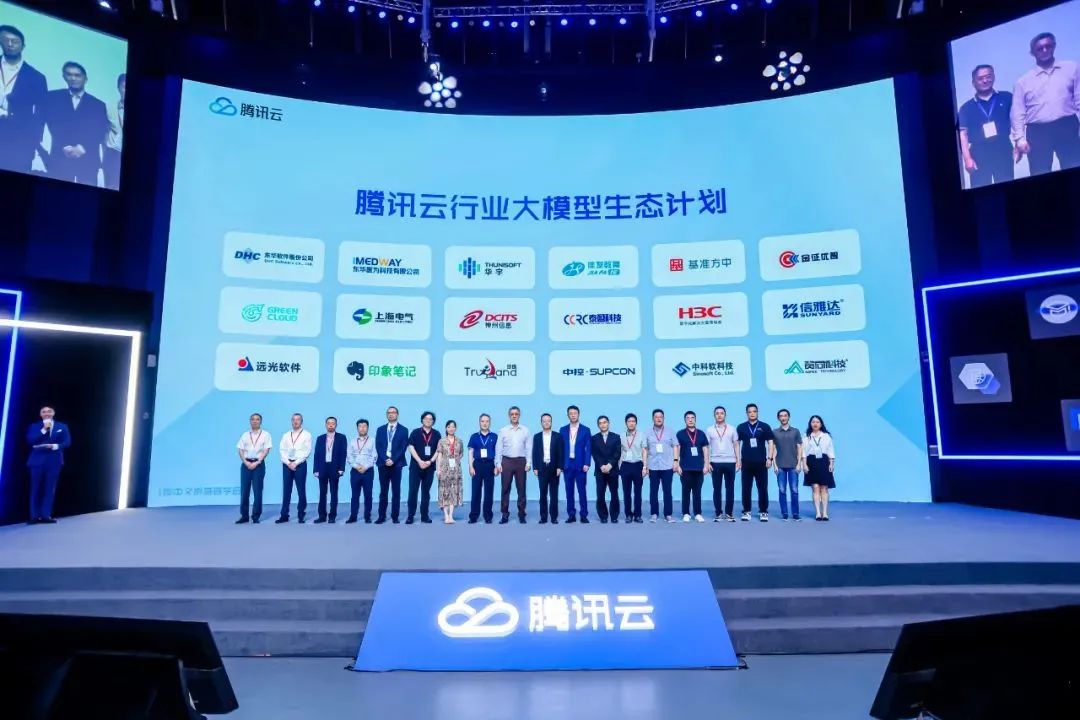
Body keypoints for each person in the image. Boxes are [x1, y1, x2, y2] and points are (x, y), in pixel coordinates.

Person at [1011, 32, 1080, 176]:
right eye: (1039, 48)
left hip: (1067, 126)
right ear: (1032, 53)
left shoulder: (1072, 68)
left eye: (1048, 46)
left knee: (1074, 167)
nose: (1044, 50)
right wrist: (1019, 139)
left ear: (1054, 46)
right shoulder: (1022, 81)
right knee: (1039, 173)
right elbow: (1017, 112)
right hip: (1038, 133)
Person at [43, 61, 108, 186]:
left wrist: (82, 148)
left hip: (88, 161)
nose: (73, 78)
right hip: (60, 158)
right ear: (64, 77)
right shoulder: (52, 97)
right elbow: (52, 124)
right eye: (69, 74)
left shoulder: (98, 105)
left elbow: (100, 131)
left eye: (77, 75)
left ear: (85, 79)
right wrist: (65, 146)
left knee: (87, 197)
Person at [957, 64, 1014, 188]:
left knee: (1008, 187)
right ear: (973, 82)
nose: (985, 80)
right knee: (981, 190)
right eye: (980, 78)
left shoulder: (1007, 97)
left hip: (1003, 148)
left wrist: (1019, 144)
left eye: (988, 76)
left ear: (994, 77)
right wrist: (967, 159)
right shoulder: (966, 108)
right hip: (979, 153)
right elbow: (963, 135)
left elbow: (1017, 121)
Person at [0, 25, 47, 174]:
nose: (10, 44)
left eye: (15, 41)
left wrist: (32, 143)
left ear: (23, 46)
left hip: (18, 142)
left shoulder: (37, 77)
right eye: (5, 40)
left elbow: (41, 114)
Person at [25, 406, 70, 524]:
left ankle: (46, 515)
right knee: (36, 489)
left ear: (53, 413)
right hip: (37, 462)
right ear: (40, 414)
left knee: (49, 489)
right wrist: (44, 429)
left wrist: (54, 446)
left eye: (49, 411)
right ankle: (34, 516)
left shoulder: (62, 426)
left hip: (54, 461)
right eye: (44, 412)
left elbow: (67, 442)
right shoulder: (34, 426)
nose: (46, 413)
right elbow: (31, 440)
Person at [736, 403, 774, 522]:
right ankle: (746, 511)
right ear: (747, 413)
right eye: (750, 412)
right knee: (746, 487)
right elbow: (737, 444)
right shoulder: (741, 427)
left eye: (754, 411)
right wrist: (738, 460)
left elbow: (771, 442)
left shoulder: (764, 426)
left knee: (762, 487)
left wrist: (770, 458)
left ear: (757, 412)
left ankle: (763, 511)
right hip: (746, 462)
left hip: (761, 462)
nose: (752, 413)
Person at [495, 406, 531, 524]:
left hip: (521, 461)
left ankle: (522, 514)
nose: (514, 416)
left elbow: (528, 448)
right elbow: (499, 448)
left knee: (521, 489)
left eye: (516, 414)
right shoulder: (503, 430)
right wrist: (498, 463)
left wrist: (528, 462)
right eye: (512, 414)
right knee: (505, 488)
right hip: (507, 461)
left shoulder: (525, 430)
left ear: (519, 415)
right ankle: (505, 514)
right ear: (509, 416)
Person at [235, 412, 272, 524]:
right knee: (244, 491)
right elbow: (240, 450)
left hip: (258, 464)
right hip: (246, 464)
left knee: (257, 491)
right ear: (250, 421)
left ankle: (256, 516)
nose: (255, 421)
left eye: (257, 419)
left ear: (260, 421)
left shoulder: (266, 435)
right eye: (252, 419)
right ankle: (244, 516)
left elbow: (266, 450)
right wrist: (245, 462)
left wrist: (257, 462)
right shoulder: (245, 435)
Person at [375, 406, 408, 524]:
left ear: (397, 415)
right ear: (386, 415)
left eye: (393, 412)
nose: (391, 414)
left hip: (397, 464)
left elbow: (403, 447)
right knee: (383, 491)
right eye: (389, 412)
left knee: (396, 491)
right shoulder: (380, 429)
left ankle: (395, 516)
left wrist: (393, 459)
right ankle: (381, 516)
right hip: (383, 464)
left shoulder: (404, 430)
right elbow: (378, 446)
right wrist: (385, 459)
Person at [406, 411, 441, 524]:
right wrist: (420, 461)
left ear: (433, 421)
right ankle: (410, 515)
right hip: (416, 466)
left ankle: (424, 515)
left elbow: (438, 450)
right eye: (426, 418)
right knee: (413, 491)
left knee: (426, 492)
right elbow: (410, 447)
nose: (428, 420)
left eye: (431, 419)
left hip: (429, 467)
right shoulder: (415, 432)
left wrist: (430, 461)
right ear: (422, 420)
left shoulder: (437, 434)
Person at [276, 413, 311, 524]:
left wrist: (295, 463)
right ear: (291, 421)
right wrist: (288, 463)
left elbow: (307, 451)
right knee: (286, 490)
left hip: (300, 464)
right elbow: (282, 450)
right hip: (287, 465)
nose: (295, 421)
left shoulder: (306, 435)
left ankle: (301, 515)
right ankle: (284, 515)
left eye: (298, 419)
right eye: (293, 419)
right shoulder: (286, 435)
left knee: (301, 490)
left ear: (301, 421)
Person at [559, 405, 592, 523]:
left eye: (575, 413)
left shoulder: (585, 430)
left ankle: (584, 515)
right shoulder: (563, 430)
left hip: (581, 465)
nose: (573, 415)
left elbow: (588, 448)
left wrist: (587, 463)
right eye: (571, 413)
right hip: (567, 465)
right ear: (568, 415)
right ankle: (571, 514)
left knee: (582, 491)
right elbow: (560, 448)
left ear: (578, 414)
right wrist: (561, 464)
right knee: (569, 492)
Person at [706, 405, 738, 523]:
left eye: (721, 413)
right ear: (714, 415)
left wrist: (738, 461)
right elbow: (707, 447)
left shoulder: (732, 429)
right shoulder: (709, 430)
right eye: (717, 413)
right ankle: (718, 513)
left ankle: (729, 513)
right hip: (715, 462)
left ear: (725, 415)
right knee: (717, 489)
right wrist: (707, 462)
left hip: (730, 462)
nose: (719, 415)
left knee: (730, 489)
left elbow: (736, 445)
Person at [676, 410, 709, 523]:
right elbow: (677, 450)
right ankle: (686, 513)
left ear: (695, 419)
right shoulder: (680, 434)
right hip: (685, 468)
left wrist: (706, 464)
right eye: (688, 418)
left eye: (692, 418)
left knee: (697, 492)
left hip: (699, 468)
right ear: (685, 420)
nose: (690, 420)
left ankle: (698, 513)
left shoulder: (701, 434)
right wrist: (677, 465)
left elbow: (705, 449)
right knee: (685, 492)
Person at [646, 409, 678, 523]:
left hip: (667, 466)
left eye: (661, 417)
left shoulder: (670, 431)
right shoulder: (648, 432)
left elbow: (675, 446)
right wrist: (645, 465)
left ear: (663, 418)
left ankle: (668, 514)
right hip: (653, 466)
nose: (658, 419)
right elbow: (645, 449)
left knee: (667, 491)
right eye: (656, 417)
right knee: (653, 491)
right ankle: (654, 514)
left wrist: (676, 461)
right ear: (653, 419)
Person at [531, 413, 564, 524]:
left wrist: (560, 467)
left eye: (548, 420)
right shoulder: (537, 436)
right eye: (544, 421)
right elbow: (535, 453)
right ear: (541, 422)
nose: (546, 422)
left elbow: (561, 452)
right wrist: (535, 467)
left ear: (551, 422)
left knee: (554, 494)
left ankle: (554, 517)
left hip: (554, 468)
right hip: (542, 468)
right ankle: (543, 517)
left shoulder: (557, 436)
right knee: (543, 494)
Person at [803, 415, 836, 521]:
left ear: (821, 424)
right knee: (815, 487)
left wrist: (831, 464)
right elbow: (804, 452)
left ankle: (825, 513)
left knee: (824, 488)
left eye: (817, 422)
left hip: (824, 462)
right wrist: (804, 464)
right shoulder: (807, 436)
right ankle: (817, 513)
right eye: (813, 422)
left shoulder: (826, 436)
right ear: (810, 424)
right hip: (811, 462)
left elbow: (830, 451)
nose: (815, 424)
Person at [313, 416, 347, 524]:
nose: (331, 425)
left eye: (333, 423)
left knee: (334, 493)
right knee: (322, 493)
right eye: (329, 423)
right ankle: (322, 516)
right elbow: (316, 454)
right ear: (326, 425)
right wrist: (316, 469)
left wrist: (342, 468)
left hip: (335, 468)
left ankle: (332, 516)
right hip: (322, 468)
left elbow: (343, 453)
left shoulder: (342, 437)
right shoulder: (320, 438)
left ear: (336, 425)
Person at [773, 409, 804, 521]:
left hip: (793, 465)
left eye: (785, 415)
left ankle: (795, 513)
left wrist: (799, 463)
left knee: (794, 490)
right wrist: (774, 465)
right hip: (780, 465)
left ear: (789, 417)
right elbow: (773, 448)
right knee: (782, 490)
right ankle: (784, 513)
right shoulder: (775, 432)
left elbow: (799, 447)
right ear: (778, 418)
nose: (783, 418)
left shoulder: (795, 431)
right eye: (781, 416)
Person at [590, 415, 621, 523]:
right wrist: (601, 466)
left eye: (605, 422)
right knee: (600, 494)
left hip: (613, 470)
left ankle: (614, 516)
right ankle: (603, 516)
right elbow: (594, 453)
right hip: (600, 470)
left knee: (614, 494)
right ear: (598, 425)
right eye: (600, 423)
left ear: (608, 423)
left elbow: (617, 453)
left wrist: (610, 465)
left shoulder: (616, 437)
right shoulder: (594, 438)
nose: (603, 425)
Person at [467, 414, 497, 524]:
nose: (485, 423)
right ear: (479, 422)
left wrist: (497, 466)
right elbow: (470, 452)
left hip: (490, 465)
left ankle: (488, 516)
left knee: (489, 492)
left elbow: (498, 453)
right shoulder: (474, 436)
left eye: (487, 421)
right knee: (476, 491)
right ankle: (473, 516)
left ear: (490, 422)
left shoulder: (494, 436)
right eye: (482, 421)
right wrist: (470, 466)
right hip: (477, 465)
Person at [346, 419, 377, 524]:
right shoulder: (352, 441)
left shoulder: (372, 440)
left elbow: (374, 456)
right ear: (357, 428)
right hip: (355, 471)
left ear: (367, 428)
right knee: (355, 495)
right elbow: (349, 456)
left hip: (368, 471)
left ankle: (367, 516)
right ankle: (353, 516)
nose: (362, 428)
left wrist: (365, 467)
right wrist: (356, 466)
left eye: (364, 426)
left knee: (368, 494)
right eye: (360, 426)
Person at [619, 413, 648, 524]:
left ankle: (637, 515)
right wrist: (619, 467)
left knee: (638, 492)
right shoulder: (621, 436)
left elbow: (644, 451)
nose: (631, 423)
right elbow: (619, 452)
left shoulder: (641, 435)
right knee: (626, 492)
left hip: (638, 465)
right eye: (629, 421)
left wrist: (645, 466)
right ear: (626, 423)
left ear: (636, 423)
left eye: (633, 421)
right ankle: (628, 515)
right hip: (625, 465)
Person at [435, 420, 464, 524]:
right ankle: (446, 515)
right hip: (444, 469)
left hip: (456, 470)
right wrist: (438, 469)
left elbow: (461, 454)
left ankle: (451, 515)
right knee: (444, 491)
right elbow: (439, 455)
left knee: (454, 491)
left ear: (455, 428)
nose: (451, 429)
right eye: (449, 427)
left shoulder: (459, 441)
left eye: (453, 427)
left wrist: (455, 461)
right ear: (446, 428)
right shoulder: (441, 441)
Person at [103, 73, 124, 190]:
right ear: (118, 88)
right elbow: (103, 130)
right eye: (124, 87)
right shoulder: (109, 108)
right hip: (113, 154)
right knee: (110, 189)